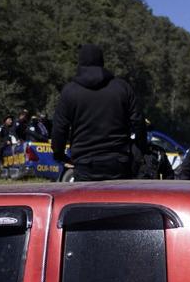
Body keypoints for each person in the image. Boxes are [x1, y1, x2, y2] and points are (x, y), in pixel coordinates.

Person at [51, 44, 146, 181]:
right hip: (118, 161)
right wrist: (139, 150)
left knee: (86, 201)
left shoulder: (70, 92)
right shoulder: (122, 88)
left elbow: (59, 128)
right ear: (102, 62)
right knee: (117, 201)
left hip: (84, 162)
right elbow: (138, 122)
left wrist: (59, 154)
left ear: (80, 63)